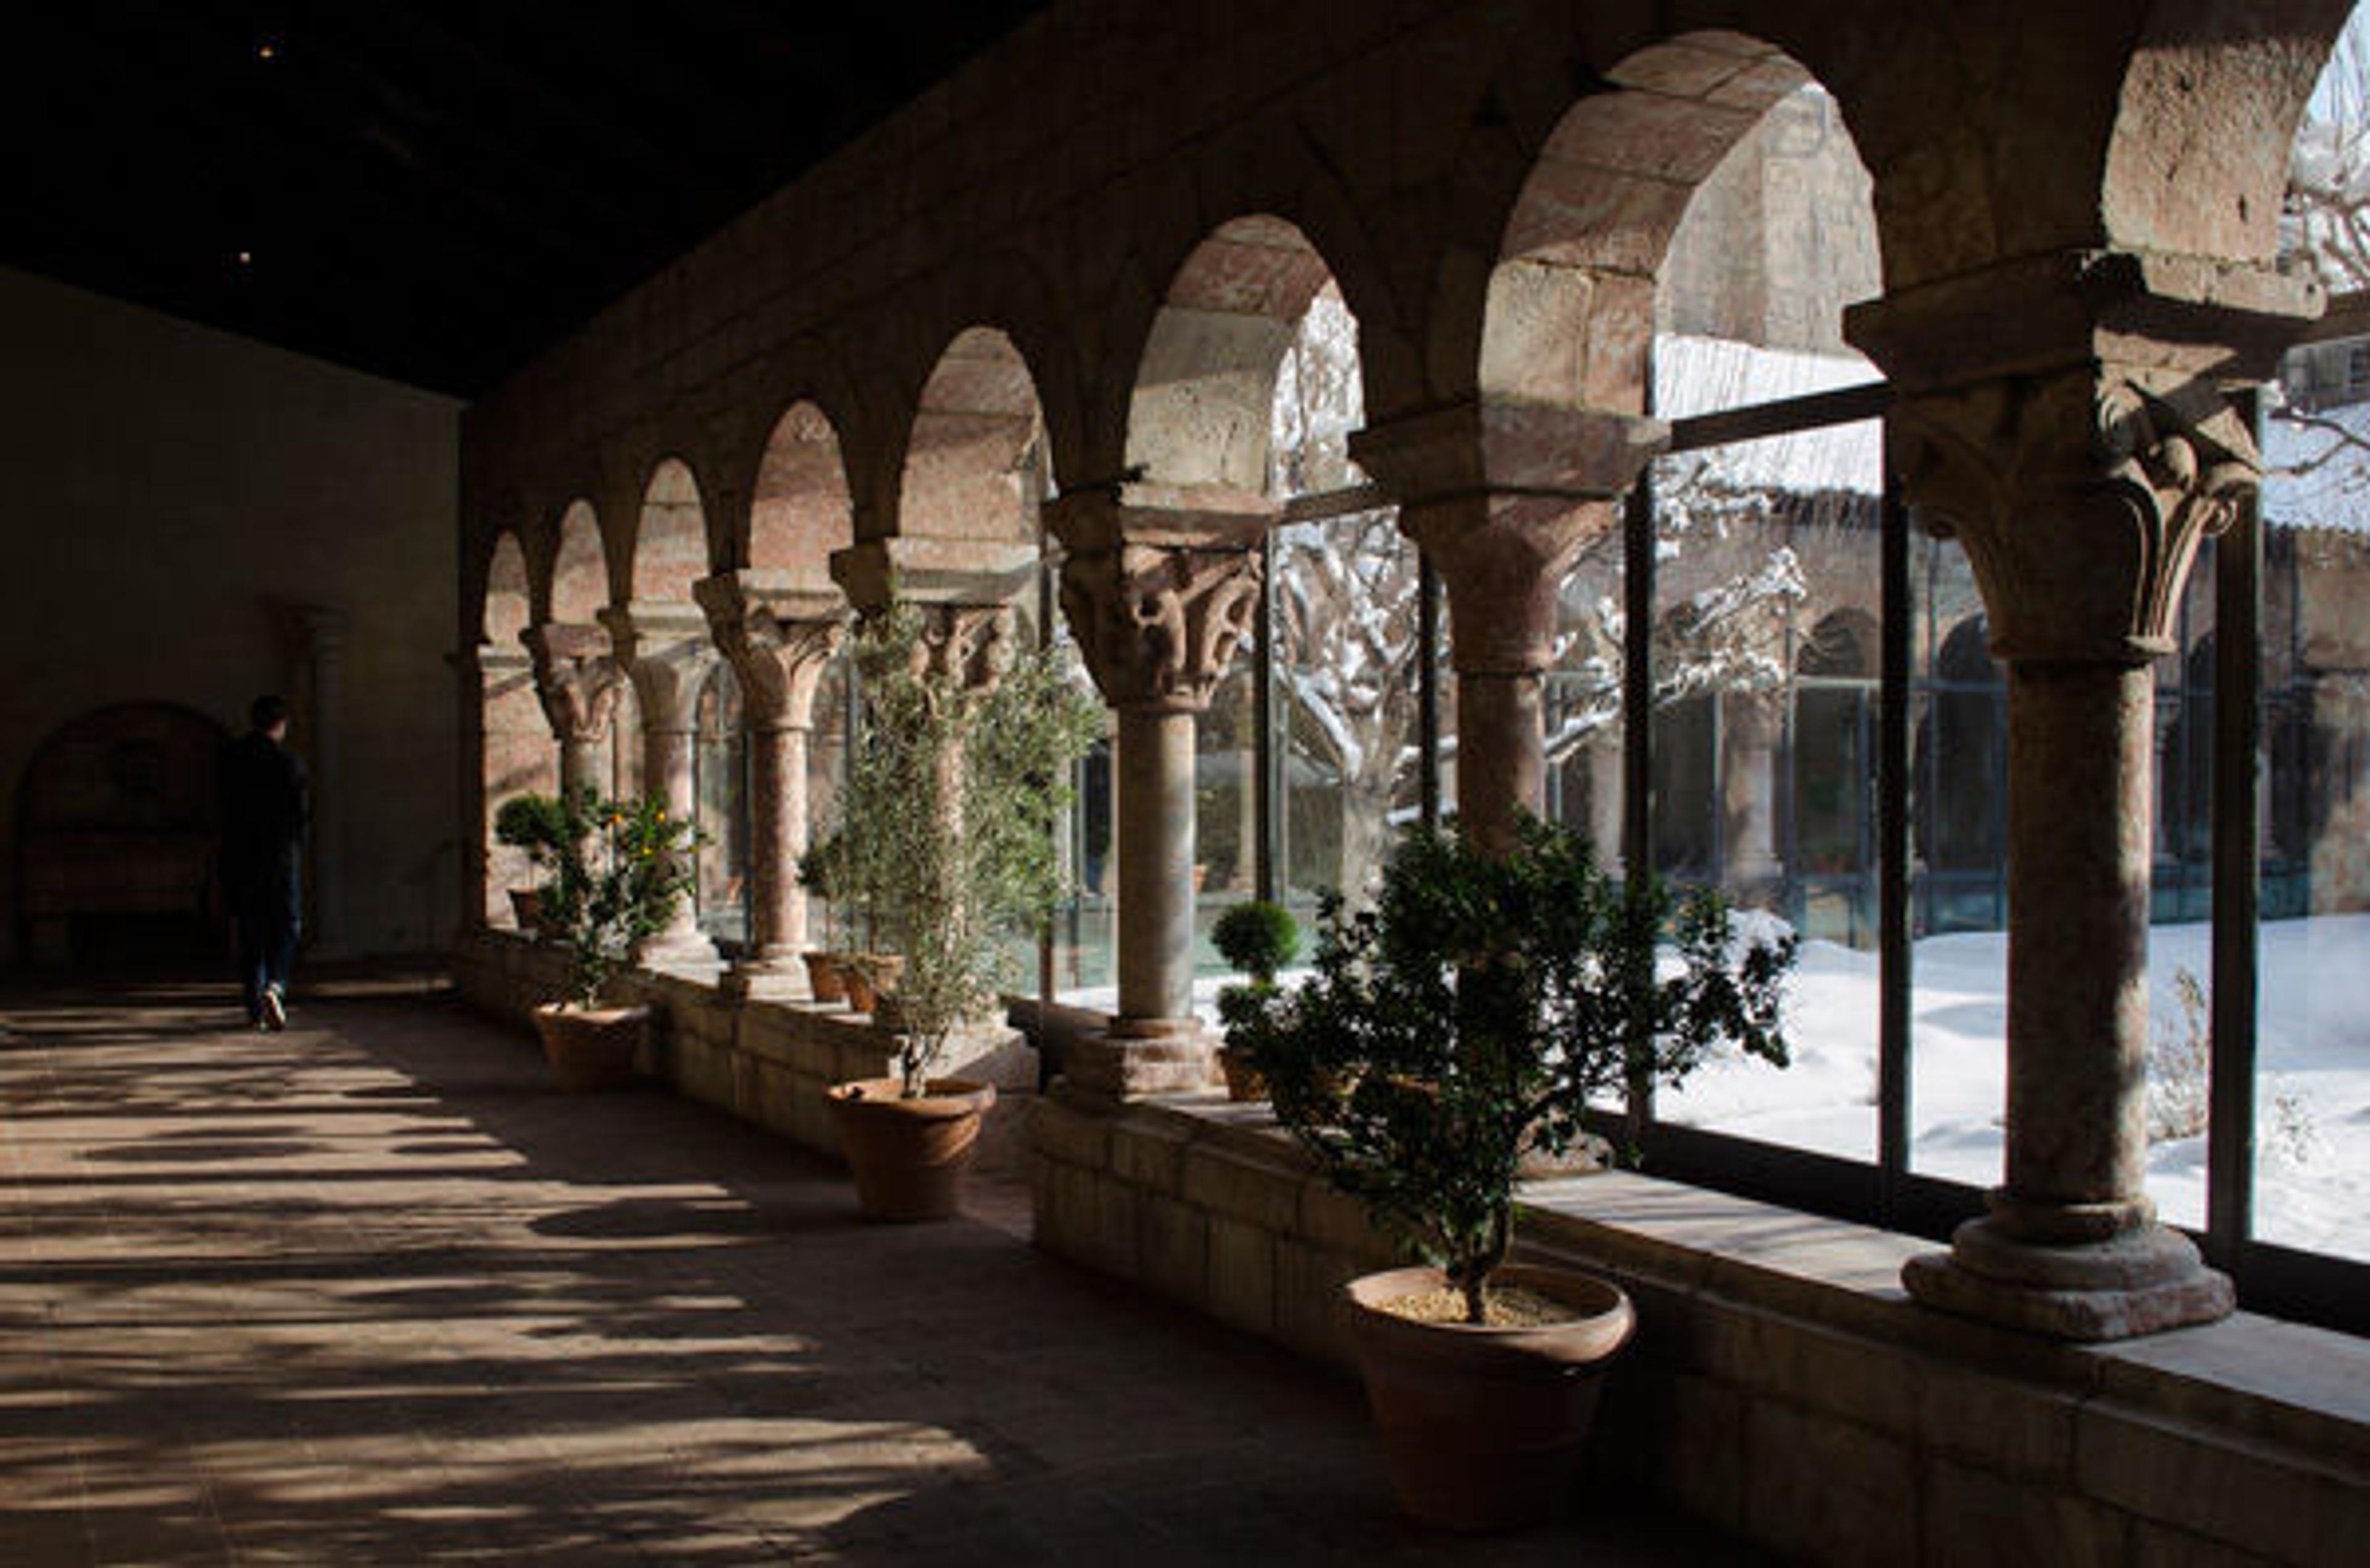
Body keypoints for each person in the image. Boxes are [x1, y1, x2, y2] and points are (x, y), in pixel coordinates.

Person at [219, 694, 308, 1030]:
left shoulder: (231, 759)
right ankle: (276, 984)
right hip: (279, 855)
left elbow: (222, 808)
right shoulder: (289, 762)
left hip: (240, 856)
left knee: (249, 929)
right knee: (288, 924)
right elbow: (300, 815)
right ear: (281, 724)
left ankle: (254, 1008)